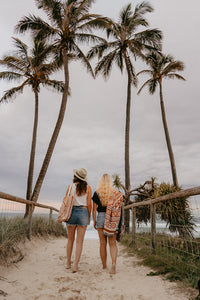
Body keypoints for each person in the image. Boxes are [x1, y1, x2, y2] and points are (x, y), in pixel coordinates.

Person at [92, 174, 123, 274]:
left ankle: (104, 266)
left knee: (102, 243)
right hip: (111, 217)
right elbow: (119, 208)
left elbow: (93, 210)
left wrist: (94, 221)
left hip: (100, 217)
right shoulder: (114, 193)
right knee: (112, 243)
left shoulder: (97, 193)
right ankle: (113, 264)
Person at [65, 168, 92, 273]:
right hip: (83, 212)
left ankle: (68, 263)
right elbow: (89, 204)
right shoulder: (88, 188)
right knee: (79, 242)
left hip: (71, 212)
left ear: (75, 177)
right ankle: (75, 266)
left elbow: (66, 200)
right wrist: (89, 217)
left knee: (70, 240)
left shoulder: (70, 187)